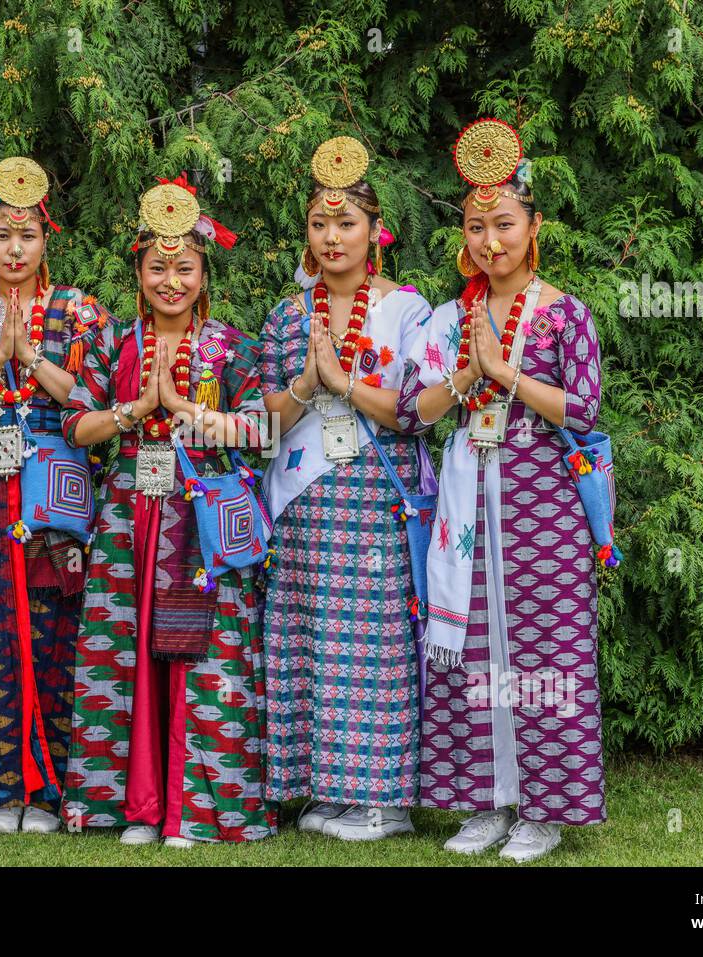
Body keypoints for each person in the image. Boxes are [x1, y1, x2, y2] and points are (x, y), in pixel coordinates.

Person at [398, 118, 607, 862]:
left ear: (534, 226)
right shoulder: (450, 317)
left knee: (543, 653)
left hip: (542, 504)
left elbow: (583, 408)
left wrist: (507, 373)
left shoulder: (564, 312)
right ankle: (486, 803)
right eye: (477, 226)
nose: (491, 241)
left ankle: (544, 813)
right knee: (473, 646)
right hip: (467, 498)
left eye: (506, 225)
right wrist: (466, 374)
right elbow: (409, 411)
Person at [62, 175, 276, 846]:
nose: (171, 280)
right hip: (128, 519)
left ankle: (193, 809)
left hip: (197, 525)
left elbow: (261, 432)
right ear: (139, 270)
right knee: (123, 653)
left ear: (203, 271)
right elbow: (76, 426)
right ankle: (135, 804)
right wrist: (131, 411)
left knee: (196, 657)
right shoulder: (113, 341)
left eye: (184, 267)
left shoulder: (231, 347)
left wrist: (190, 415)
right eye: (158, 267)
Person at [258, 137, 435, 840]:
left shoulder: (409, 312)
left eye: (347, 224)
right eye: (319, 225)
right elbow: (262, 419)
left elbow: (415, 411)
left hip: (375, 496)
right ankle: (324, 788)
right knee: (309, 637)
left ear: (374, 232)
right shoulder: (285, 316)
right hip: (304, 500)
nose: (332, 237)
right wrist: (306, 384)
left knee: (376, 642)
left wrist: (344, 384)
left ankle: (384, 797)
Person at [0, 157, 109, 834]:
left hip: (52, 487)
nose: (14, 249)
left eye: (27, 236)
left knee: (54, 626)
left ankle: (51, 787)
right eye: (2, 235)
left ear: (45, 241)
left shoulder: (78, 308)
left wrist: (30, 359)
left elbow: (96, 400)